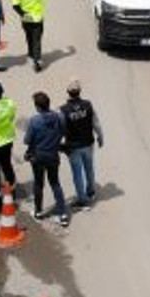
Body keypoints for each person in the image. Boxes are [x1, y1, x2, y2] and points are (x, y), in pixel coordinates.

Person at [24, 91, 69, 227]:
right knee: (55, 183)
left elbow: (27, 140)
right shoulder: (59, 117)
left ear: (38, 107)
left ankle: (38, 211)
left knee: (38, 183)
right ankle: (63, 214)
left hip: (38, 157)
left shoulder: (34, 121)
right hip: (53, 155)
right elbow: (63, 132)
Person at [60, 79, 103, 212]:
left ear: (68, 92)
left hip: (73, 147)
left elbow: (61, 129)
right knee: (89, 168)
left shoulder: (63, 110)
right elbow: (96, 123)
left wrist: (59, 145)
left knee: (77, 174)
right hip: (88, 143)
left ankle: (82, 200)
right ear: (80, 91)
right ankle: (91, 191)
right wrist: (100, 136)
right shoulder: (88, 105)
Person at [11, 0, 53, 72]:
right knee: (37, 40)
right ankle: (37, 61)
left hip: (26, 19)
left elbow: (15, 6)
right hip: (37, 19)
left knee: (29, 37)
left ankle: (31, 53)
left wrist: (23, 14)